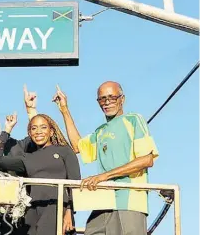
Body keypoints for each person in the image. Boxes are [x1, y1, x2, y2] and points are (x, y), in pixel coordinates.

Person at [53, 81, 159, 235]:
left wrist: (104, 176)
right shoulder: (100, 131)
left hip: (128, 201)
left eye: (112, 97)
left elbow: (147, 159)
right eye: (102, 99)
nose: (107, 102)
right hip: (103, 200)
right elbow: (78, 147)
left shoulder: (134, 120)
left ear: (122, 99)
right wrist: (64, 109)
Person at [0, 110, 81, 235]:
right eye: (34, 128)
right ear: (29, 133)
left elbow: (74, 184)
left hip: (56, 207)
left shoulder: (64, 151)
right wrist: (7, 130)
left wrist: (70, 212)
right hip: (32, 210)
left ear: (51, 131)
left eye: (43, 127)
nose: (38, 132)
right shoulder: (27, 158)